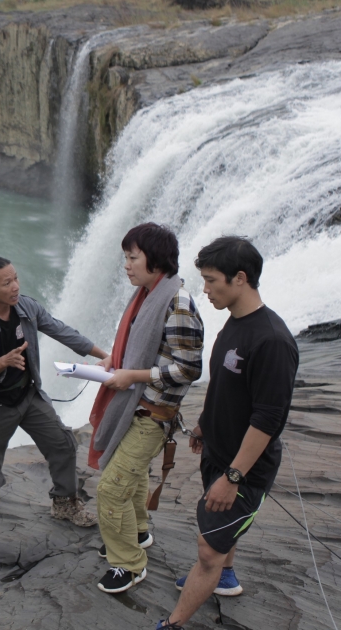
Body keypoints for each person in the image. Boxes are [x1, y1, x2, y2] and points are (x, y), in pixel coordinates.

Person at [156, 237, 299, 630]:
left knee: (207, 550)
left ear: (240, 278)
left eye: (210, 280)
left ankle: (174, 623)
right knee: (217, 536)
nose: (204, 289)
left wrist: (233, 477)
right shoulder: (235, 323)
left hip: (243, 469)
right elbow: (225, 386)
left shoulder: (272, 341)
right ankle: (226, 577)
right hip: (219, 452)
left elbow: (269, 419)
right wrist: (206, 423)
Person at [88, 223, 204, 594]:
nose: (126, 265)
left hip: (152, 416)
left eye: (132, 257)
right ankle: (136, 533)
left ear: (155, 261)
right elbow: (141, 347)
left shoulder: (178, 303)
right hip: (136, 406)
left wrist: (132, 375)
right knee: (133, 478)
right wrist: (114, 362)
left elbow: (188, 369)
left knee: (111, 489)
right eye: (126, 256)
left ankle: (129, 564)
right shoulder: (147, 295)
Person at [0, 256, 109, 525]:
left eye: (16, 278)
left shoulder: (26, 307)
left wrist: (105, 355)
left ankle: (64, 503)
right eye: (7, 283)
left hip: (28, 395)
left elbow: (61, 330)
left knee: (62, 444)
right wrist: (1, 363)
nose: (16, 286)